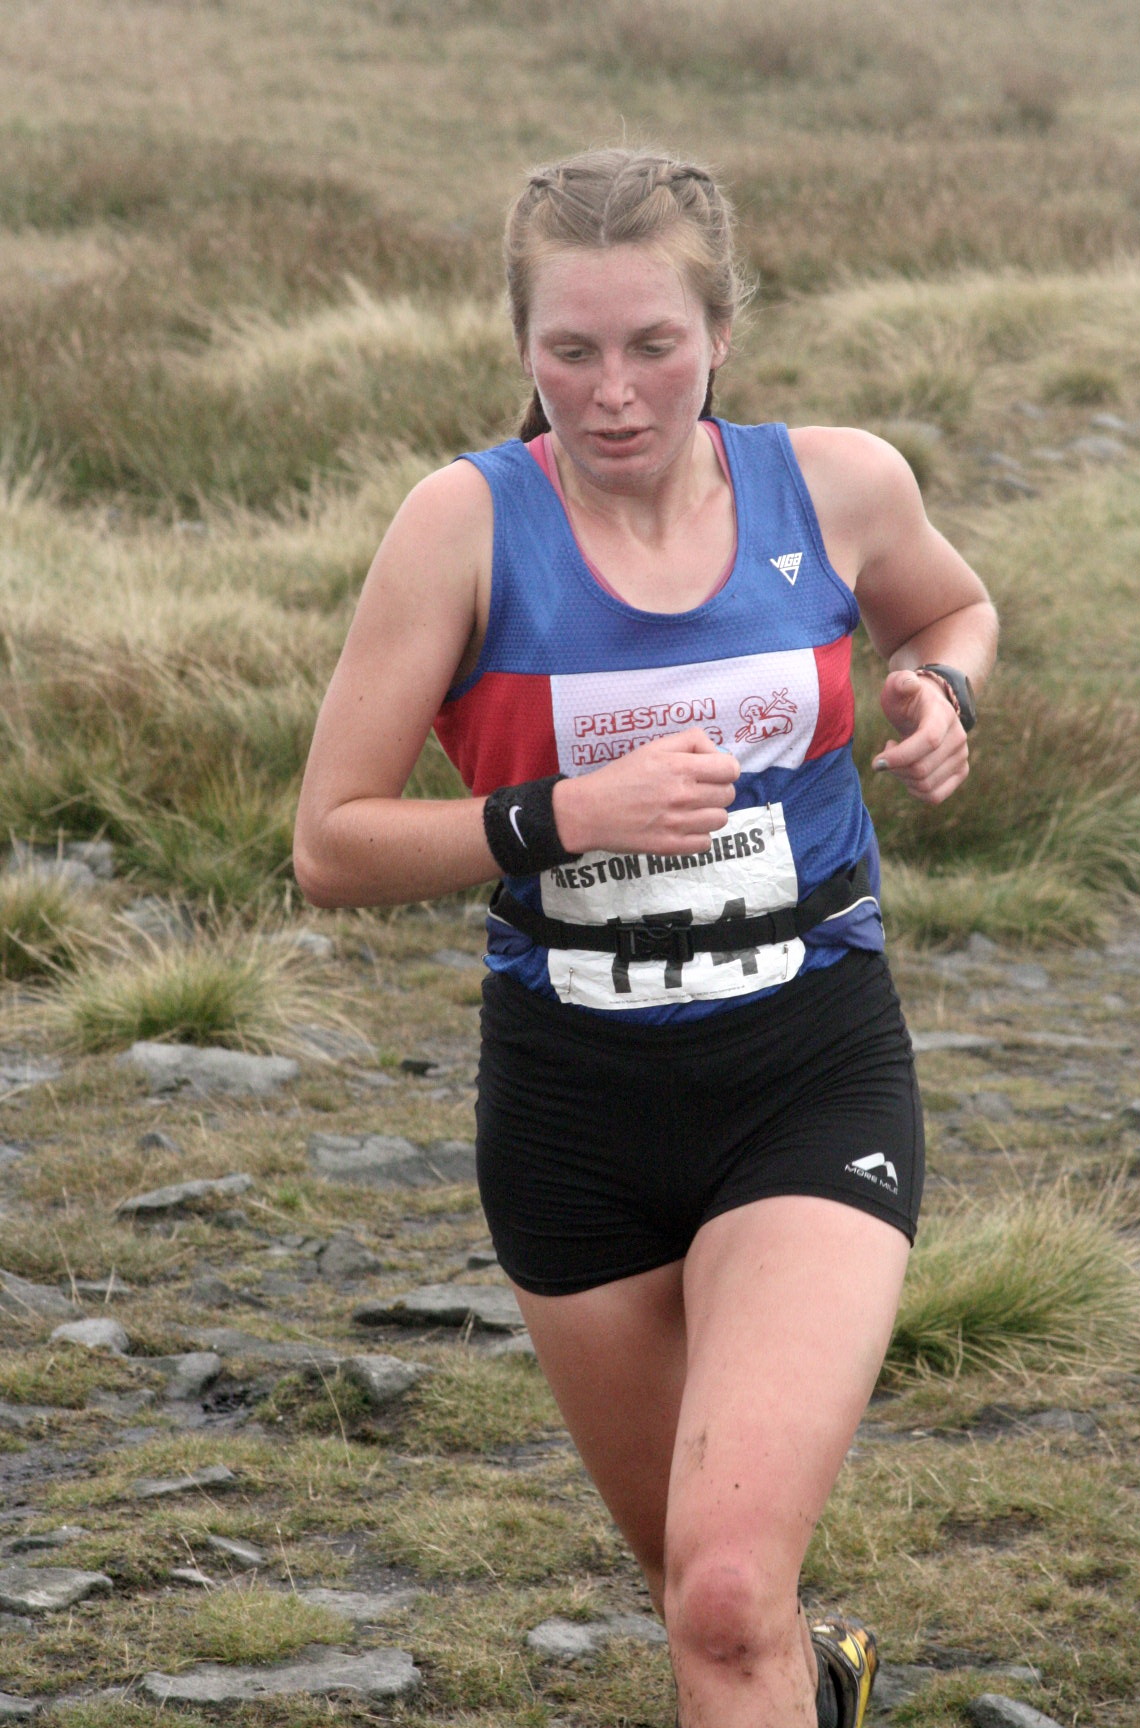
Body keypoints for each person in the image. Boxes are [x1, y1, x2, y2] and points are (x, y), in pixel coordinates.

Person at [294, 147, 997, 1728]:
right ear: (523, 349)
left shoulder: (838, 484)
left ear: (722, 334)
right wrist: (560, 817)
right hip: (570, 1100)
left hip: (805, 1057)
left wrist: (943, 691)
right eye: (572, 352)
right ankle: (814, 1692)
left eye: (653, 346)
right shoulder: (461, 527)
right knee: (700, 1596)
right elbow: (329, 844)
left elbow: (952, 609)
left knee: (727, 1590)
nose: (613, 394)